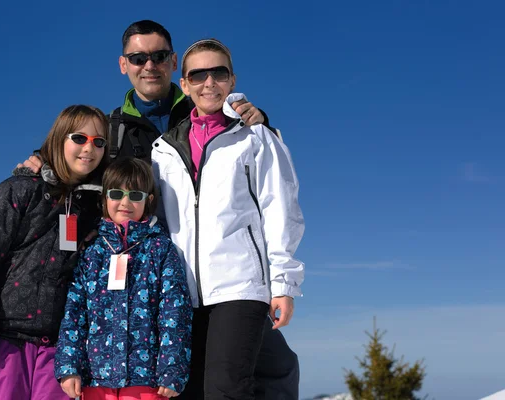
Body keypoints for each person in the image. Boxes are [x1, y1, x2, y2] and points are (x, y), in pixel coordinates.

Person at [21, 20, 301, 400]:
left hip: (226, 274)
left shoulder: (210, 113)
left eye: (158, 56)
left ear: (173, 64)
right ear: (124, 64)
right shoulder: (112, 127)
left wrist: (257, 119)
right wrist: (43, 158)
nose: (148, 65)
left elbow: (271, 191)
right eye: (138, 57)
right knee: (184, 384)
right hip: (153, 281)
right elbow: (78, 147)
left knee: (269, 369)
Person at [151, 38, 305, 400]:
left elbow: (281, 209)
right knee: (186, 391)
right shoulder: (164, 151)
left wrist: (282, 283)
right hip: (181, 293)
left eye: (218, 73)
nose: (209, 83)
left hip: (239, 286)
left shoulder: (255, 137)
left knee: (226, 389)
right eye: (198, 75)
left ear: (232, 80)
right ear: (184, 85)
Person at [0, 105, 110, 400]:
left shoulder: (94, 210)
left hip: (59, 347)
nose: (89, 148)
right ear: (58, 140)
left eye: (99, 142)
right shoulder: (19, 191)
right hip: (5, 340)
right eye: (79, 138)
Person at [55, 158, 192, 400]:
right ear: (105, 198)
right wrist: (69, 366)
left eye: (135, 195)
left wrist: (172, 370)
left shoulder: (160, 249)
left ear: (148, 200)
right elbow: (74, 314)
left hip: (146, 379)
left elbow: (174, 313)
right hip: (96, 377)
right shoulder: (92, 252)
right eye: (117, 194)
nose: (125, 202)